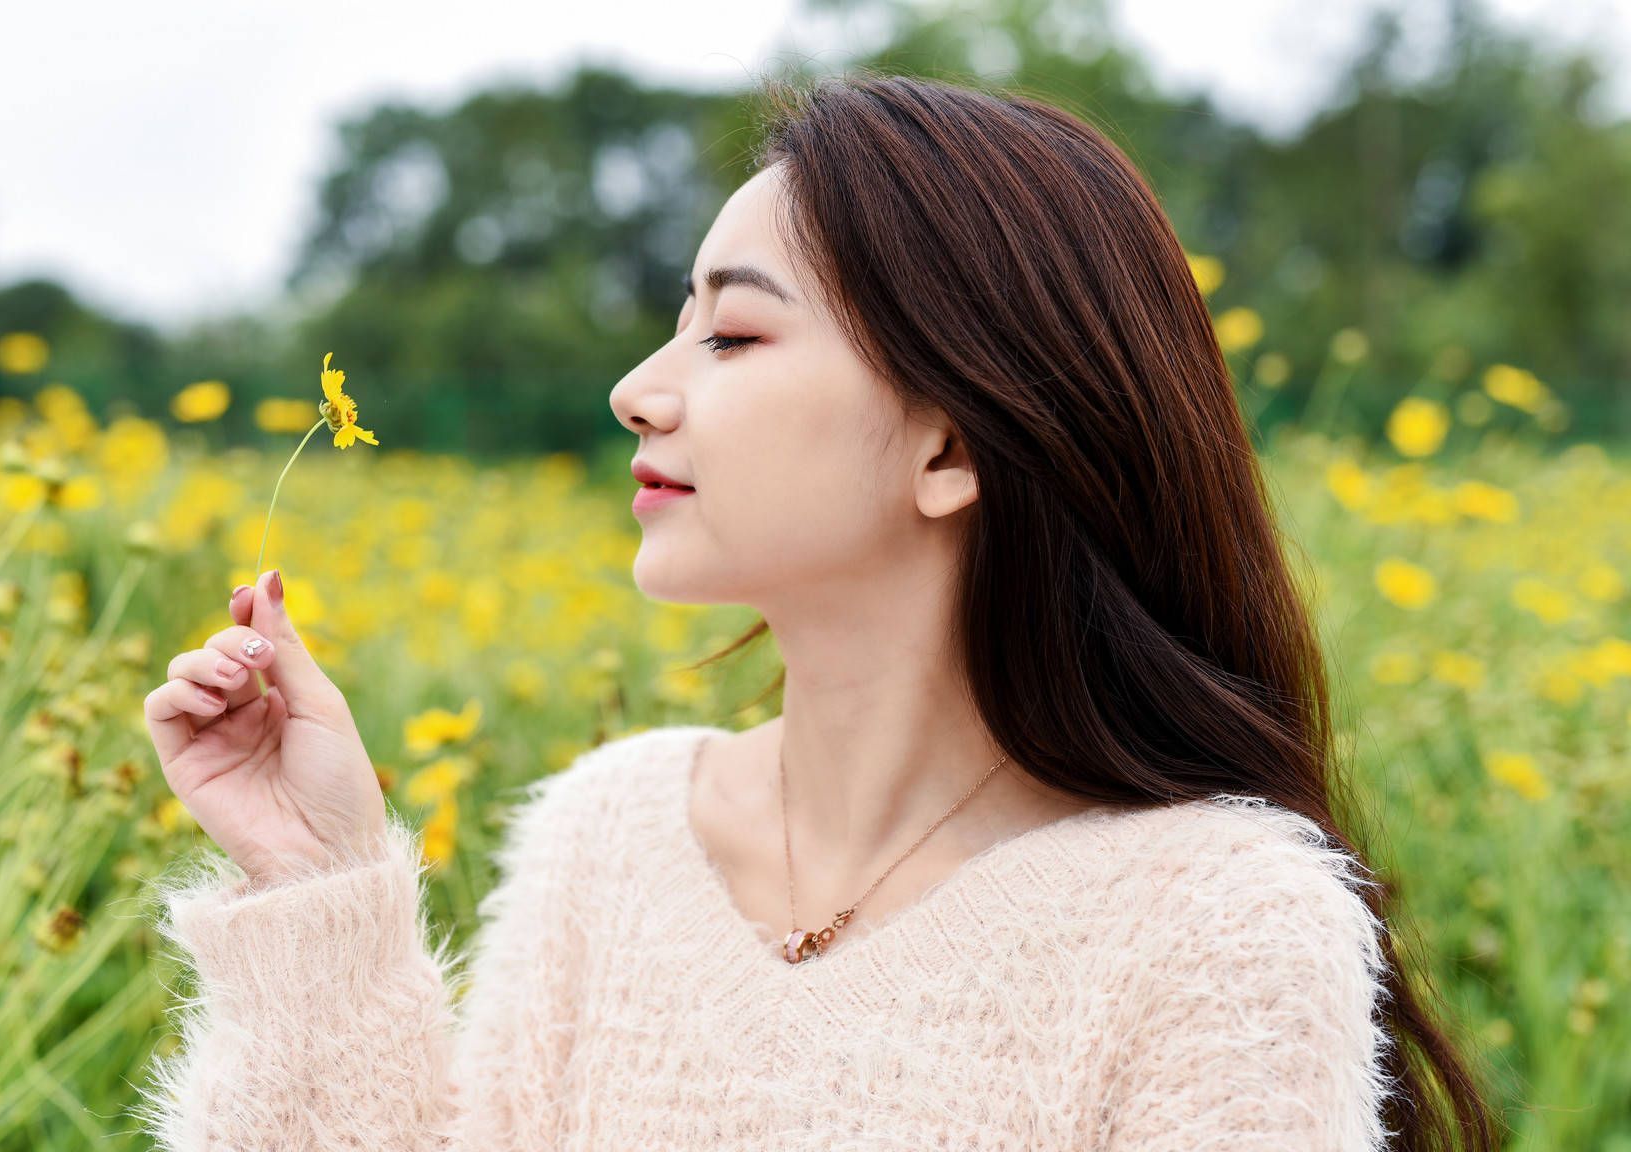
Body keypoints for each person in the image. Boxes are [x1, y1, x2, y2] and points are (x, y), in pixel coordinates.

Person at [137, 71, 1503, 1150]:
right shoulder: (610, 837)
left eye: (732, 334)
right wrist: (317, 880)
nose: (638, 387)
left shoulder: (1217, 926)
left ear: (951, 448)